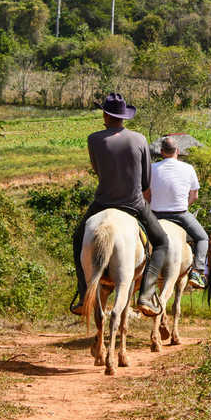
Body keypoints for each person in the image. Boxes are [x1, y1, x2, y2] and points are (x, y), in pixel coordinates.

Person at [71, 93, 169, 318]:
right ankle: (145, 295)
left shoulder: (93, 139)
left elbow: (97, 170)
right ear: (124, 116)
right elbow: (145, 181)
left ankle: (83, 291)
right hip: (134, 204)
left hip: (102, 202)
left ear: (105, 114)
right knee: (162, 241)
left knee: (78, 238)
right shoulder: (139, 139)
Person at [148, 136, 208, 289]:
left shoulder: (152, 168)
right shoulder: (188, 168)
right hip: (180, 215)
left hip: (155, 215)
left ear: (161, 152)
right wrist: (182, 205)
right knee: (202, 238)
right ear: (178, 151)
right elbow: (194, 196)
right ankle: (197, 271)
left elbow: (146, 195)